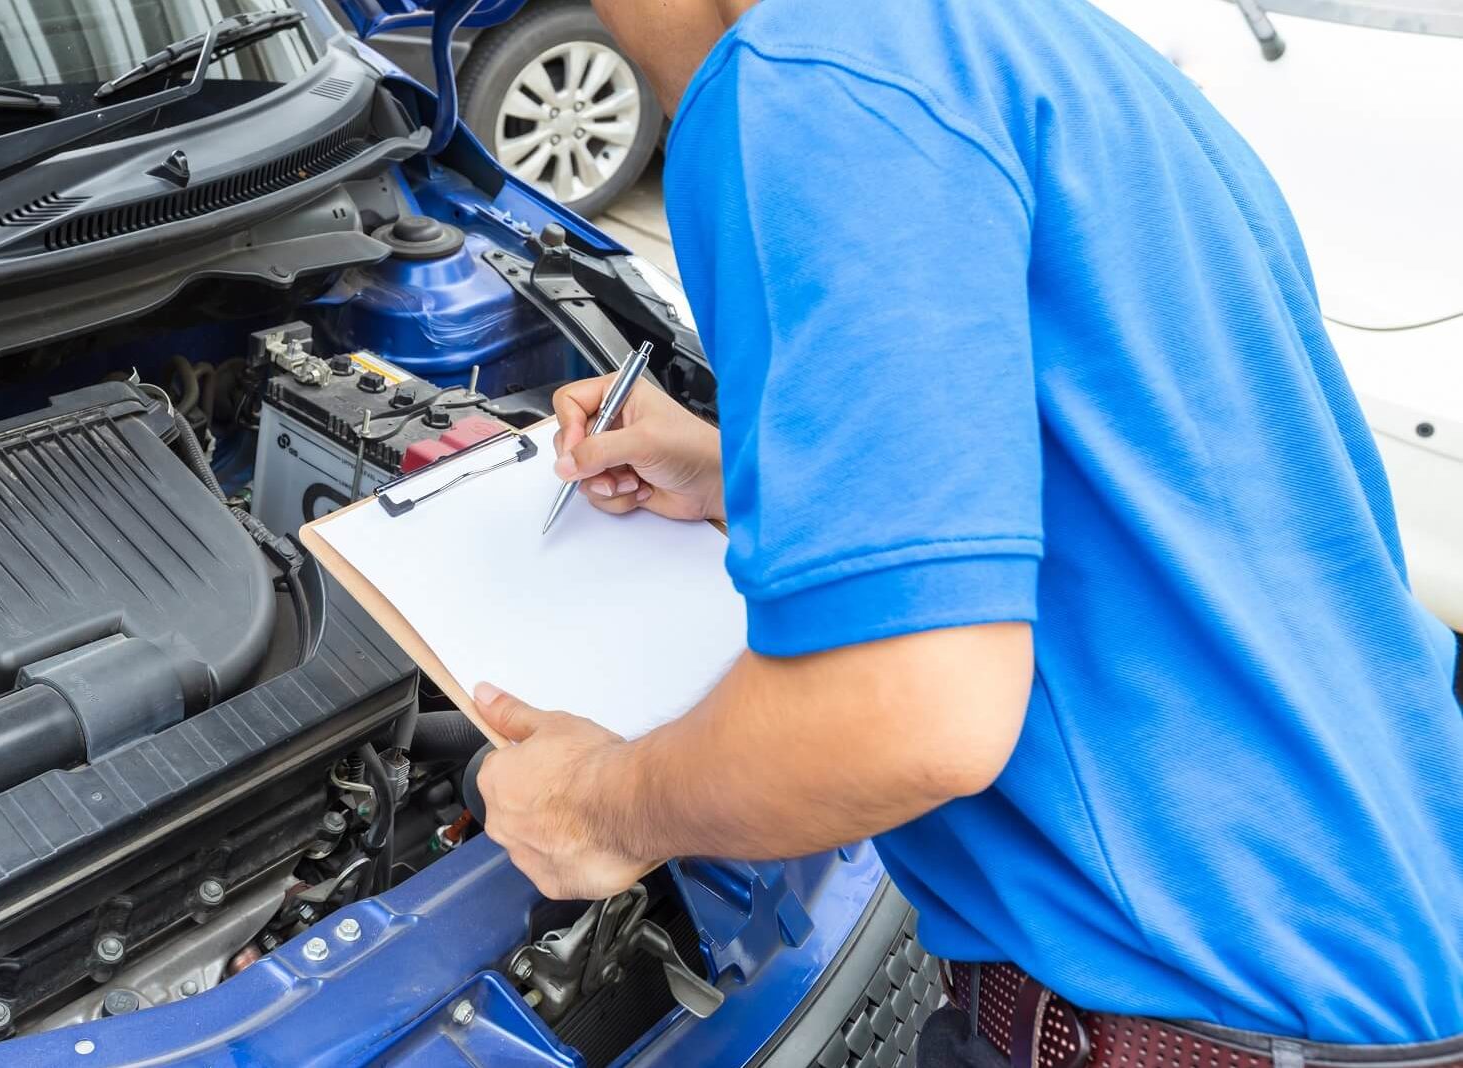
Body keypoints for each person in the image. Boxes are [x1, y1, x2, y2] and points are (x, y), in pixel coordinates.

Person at [467, 0, 1463, 1058]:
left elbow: (906, 712)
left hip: (1196, 1012)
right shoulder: (1055, 48)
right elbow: (1158, 472)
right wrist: (736, 473)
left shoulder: (807, 71)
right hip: (1382, 927)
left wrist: (597, 806)